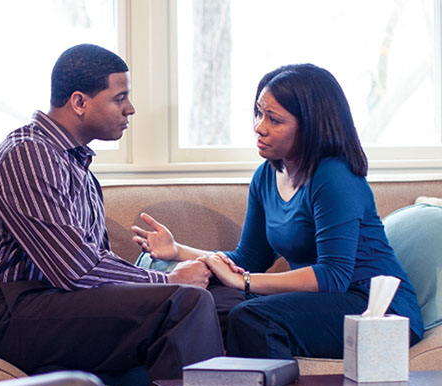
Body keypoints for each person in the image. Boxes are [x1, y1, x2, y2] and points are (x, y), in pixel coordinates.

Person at [0, 44, 225, 386]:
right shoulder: (29, 154)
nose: (130, 109)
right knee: (185, 304)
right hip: (7, 315)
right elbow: (74, 269)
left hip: (54, 304)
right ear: (80, 102)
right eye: (120, 98)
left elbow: (94, 267)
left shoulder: (77, 166)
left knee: (225, 300)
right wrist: (167, 281)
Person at [131, 63, 424, 359]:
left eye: (274, 119)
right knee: (203, 302)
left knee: (253, 318)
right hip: (323, 299)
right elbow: (248, 259)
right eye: (259, 113)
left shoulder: (334, 176)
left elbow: (333, 276)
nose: (260, 126)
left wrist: (243, 282)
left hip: (374, 306)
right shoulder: (266, 177)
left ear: (310, 126)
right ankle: (142, 382)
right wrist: (177, 250)